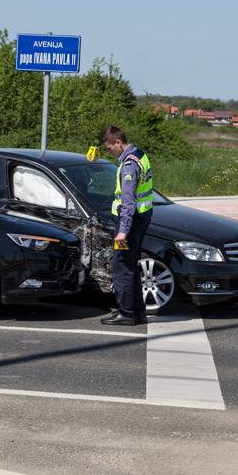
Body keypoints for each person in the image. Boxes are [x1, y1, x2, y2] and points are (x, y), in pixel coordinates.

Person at [99, 125, 153, 325]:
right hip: (142, 218)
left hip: (128, 224)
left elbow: (128, 203)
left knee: (121, 265)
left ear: (118, 143)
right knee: (131, 265)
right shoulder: (139, 154)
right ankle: (138, 312)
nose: (109, 151)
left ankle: (126, 313)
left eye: (109, 148)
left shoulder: (129, 166)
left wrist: (122, 231)